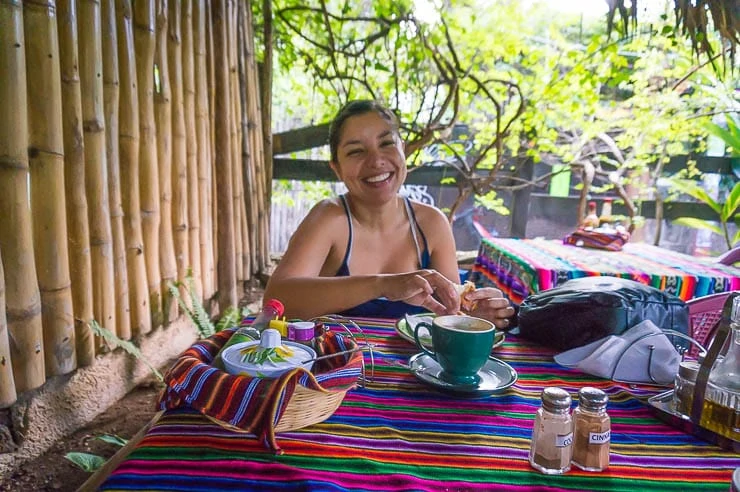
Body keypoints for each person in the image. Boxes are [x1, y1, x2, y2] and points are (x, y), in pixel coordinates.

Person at [264, 100, 514, 327]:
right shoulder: (330, 218)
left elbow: (453, 312)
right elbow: (276, 302)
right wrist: (384, 284)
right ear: (337, 169)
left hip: (414, 372)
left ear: (403, 150)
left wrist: (476, 314)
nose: (376, 160)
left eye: (386, 143)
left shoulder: (431, 223)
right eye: (356, 151)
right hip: (337, 369)